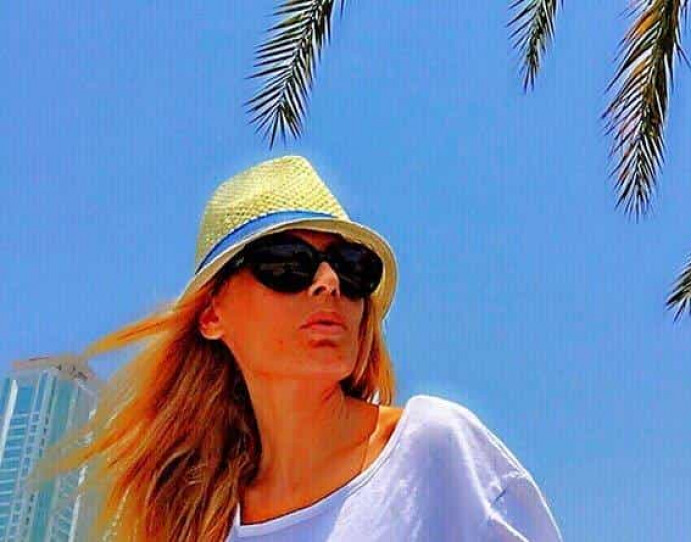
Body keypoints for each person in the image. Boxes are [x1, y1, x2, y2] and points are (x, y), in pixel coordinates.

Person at [27, 155, 563, 541]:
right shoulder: (202, 525)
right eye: (287, 264)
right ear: (212, 315)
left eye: (351, 268)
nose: (329, 284)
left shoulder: (434, 450)